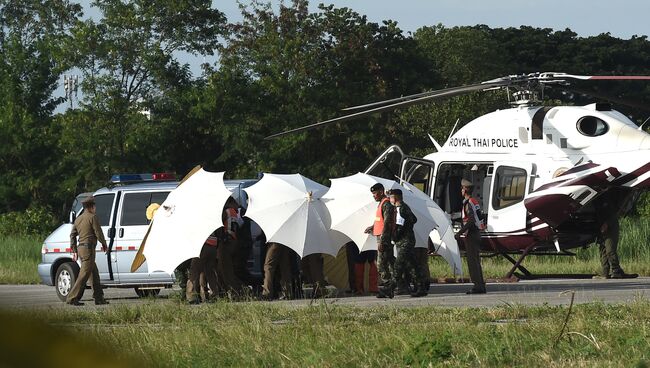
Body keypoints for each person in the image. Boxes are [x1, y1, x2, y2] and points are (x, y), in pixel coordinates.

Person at [66, 196, 109, 306]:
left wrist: (74, 250)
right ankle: (72, 298)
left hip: (81, 249)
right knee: (84, 275)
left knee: (94, 273)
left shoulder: (78, 219)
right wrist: (104, 244)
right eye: (94, 206)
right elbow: (98, 232)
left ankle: (99, 298)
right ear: (92, 206)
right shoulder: (92, 217)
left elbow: (72, 235)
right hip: (89, 250)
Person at [378, 189, 420, 298]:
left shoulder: (400, 209)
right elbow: (414, 219)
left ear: (395, 198)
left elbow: (401, 226)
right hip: (407, 240)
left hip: (404, 242)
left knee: (397, 266)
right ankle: (421, 287)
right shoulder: (404, 207)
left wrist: (396, 236)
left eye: (391, 197)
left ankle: (390, 289)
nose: (390, 199)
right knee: (413, 265)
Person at [596, 192, 638, 279]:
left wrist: (607, 224)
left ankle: (616, 271)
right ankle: (605, 272)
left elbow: (613, 214)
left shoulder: (605, 198)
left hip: (611, 226)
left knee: (610, 250)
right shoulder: (597, 200)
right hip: (601, 225)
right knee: (602, 250)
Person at [455, 178, 487, 294]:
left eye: (462, 188)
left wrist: (459, 232)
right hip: (477, 233)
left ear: (465, 190)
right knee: (476, 261)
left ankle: (477, 286)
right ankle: (481, 285)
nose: (461, 191)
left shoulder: (468, 203)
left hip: (472, 234)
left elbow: (471, 220)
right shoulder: (474, 201)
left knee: (472, 262)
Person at [364, 183, 394, 295]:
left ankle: (388, 287)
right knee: (390, 262)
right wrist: (372, 227)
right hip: (381, 236)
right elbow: (380, 219)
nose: (374, 196)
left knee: (381, 264)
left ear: (381, 192)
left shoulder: (386, 204)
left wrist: (382, 241)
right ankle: (395, 285)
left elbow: (387, 224)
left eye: (375, 193)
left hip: (384, 238)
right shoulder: (381, 203)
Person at [217, 198, 246, 295]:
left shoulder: (226, 211)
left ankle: (236, 291)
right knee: (229, 268)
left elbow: (220, 225)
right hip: (234, 239)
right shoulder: (234, 212)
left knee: (225, 269)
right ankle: (238, 289)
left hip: (226, 242)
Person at [186, 233, 220, 304]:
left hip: (202, 246)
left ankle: (192, 296)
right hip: (213, 246)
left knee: (194, 271)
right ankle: (214, 294)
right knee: (210, 272)